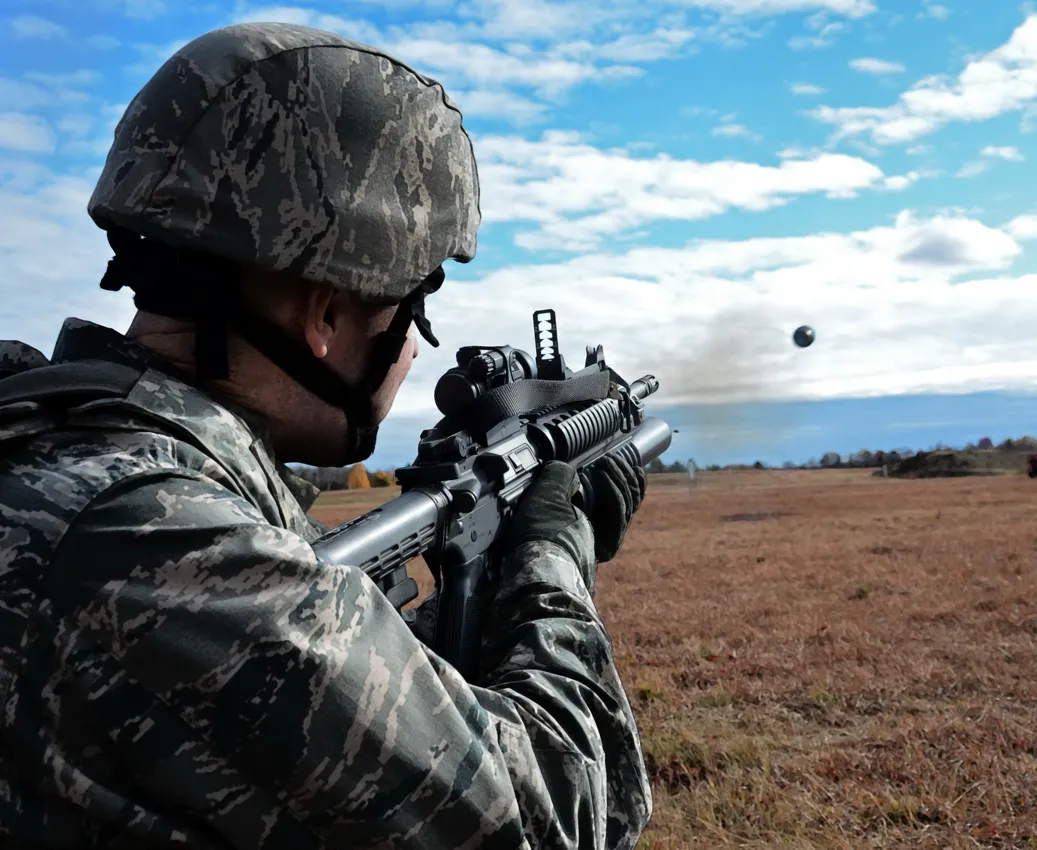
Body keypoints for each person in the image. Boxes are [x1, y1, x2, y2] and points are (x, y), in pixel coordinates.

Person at [0, 22, 651, 850]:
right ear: (325, 313)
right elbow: (552, 816)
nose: (416, 346)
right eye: (412, 308)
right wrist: (553, 556)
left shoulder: (52, 447)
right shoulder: (159, 542)